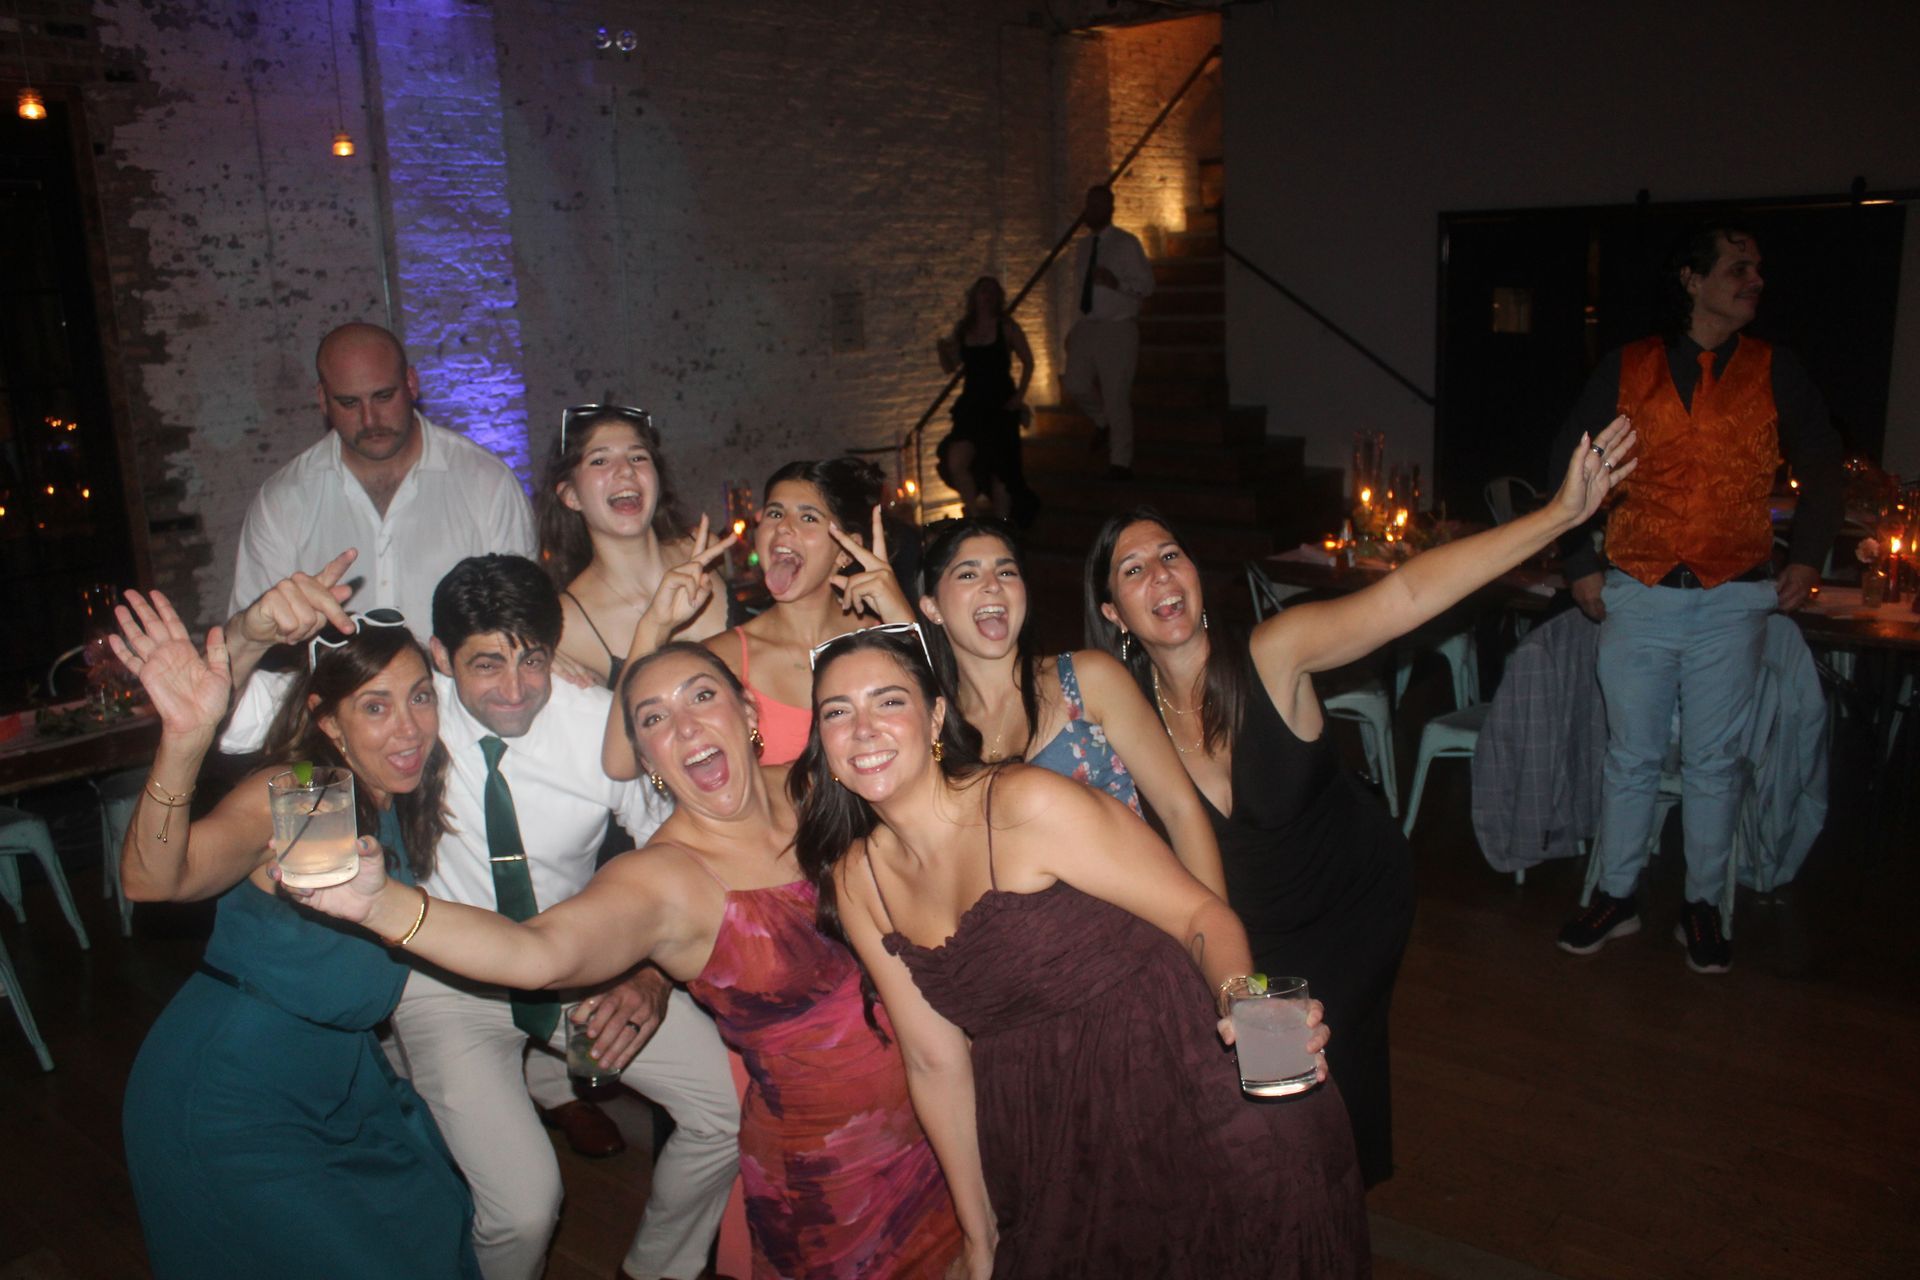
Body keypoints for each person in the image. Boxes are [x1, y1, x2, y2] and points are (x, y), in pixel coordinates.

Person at [1081, 415, 1638, 1188]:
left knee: (1295, 1094)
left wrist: (1558, 517)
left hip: (1353, 906)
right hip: (1248, 937)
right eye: (1132, 571)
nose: (1161, 578)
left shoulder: (1273, 657)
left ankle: (1325, 1214)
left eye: (1170, 556)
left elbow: (1405, 593)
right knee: (1275, 1099)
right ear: (1112, 613)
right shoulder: (1122, 714)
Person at [289, 642, 965, 1279]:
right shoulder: (664, 879)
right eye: (654, 718)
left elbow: (945, 779)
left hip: (948, 1122)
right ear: (645, 756)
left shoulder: (826, 790)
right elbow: (539, 953)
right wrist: (382, 907)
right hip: (831, 1176)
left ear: (749, 710)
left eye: (702, 695)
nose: (687, 725)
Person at [795, 627, 1366, 1278]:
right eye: (837, 712)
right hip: (1054, 1136)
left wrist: (1250, 1012)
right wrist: (978, 1236)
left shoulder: (1023, 803)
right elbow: (933, 1060)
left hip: (1186, 1083)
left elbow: (1198, 913)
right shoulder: (857, 881)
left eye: (887, 701)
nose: (862, 728)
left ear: (937, 717)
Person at [109, 579, 479, 1279]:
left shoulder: (400, 795)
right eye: (376, 706)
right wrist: (185, 742)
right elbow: (154, 880)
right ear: (329, 722)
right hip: (234, 1094)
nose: (409, 728)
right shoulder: (307, 794)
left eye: (420, 696)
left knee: (432, 1226)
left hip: (342, 1084)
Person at [400, 555, 736, 1280]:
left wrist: (651, 974)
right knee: (523, 1210)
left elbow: (670, 849)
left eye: (534, 660)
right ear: (439, 658)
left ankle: (655, 1271)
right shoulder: (408, 720)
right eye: (486, 665)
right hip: (446, 983)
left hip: (576, 960)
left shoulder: (594, 726)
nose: (517, 689)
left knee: (727, 1111)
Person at [1550, 224, 1844, 976]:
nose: (1754, 280)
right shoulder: (1629, 364)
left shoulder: (1778, 369)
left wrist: (1807, 554)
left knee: (1716, 762)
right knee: (1631, 757)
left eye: (1757, 268)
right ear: (1691, 278)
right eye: (1738, 268)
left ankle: (1702, 904)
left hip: (1732, 597)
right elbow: (1570, 457)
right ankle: (1617, 895)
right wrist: (1579, 558)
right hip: (1638, 590)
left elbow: (1821, 458)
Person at [915, 515, 1225, 895]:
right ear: (932, 608)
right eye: (968, 575)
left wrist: (1214, 937)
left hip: (1140, 927)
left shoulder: (1088, 679)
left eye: (1007, 572)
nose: (993, 586)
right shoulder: (937, 728)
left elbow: (1182, 813)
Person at [229, 321, 535, 641]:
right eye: (349, 403)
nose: (369, 420)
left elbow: (522, 626)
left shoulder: (488, 483)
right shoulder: (282, 500)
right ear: (322, 399)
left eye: (384, 396)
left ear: (411, 384)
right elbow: (251, 643)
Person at [537, 404, 728, 689]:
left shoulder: (704, 552)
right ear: (571, 495)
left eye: (638, 457)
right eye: (600, 461)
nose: (625, 470)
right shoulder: (568, 625)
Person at [1062, 183, 1154, 480]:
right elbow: (1079, 291)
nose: (1092, 211)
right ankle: (1101, 421)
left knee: (1116, 394)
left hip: (1117, 327)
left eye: (1098, 205)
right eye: (1089, 205)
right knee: (1075, 383)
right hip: (1088, 325)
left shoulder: (1126, 243)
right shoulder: (1083, 246)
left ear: (1110, 209)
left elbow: (1146, 286)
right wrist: (1073, 326)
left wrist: (1117, 283)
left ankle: (1120, 461)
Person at [934, 277, 1039, 527]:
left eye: (993, 292)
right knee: (957, 459)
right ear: (975, 296)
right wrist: (942, 351)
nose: (988, 297)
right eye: (983, 291)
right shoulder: (965, 329)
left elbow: (1029, 361)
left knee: (1000, 469)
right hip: (973, 403)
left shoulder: (1006, 327)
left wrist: (1019, 396)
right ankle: (975, 515)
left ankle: (1002, 526)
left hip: (1001, 402)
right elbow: (951, 367)